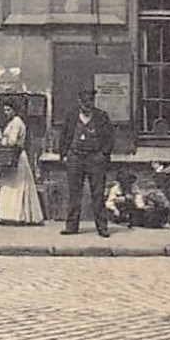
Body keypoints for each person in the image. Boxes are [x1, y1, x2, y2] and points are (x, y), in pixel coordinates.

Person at [59, 87, 115, 237]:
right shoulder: (71, 116)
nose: (87, 106)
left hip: (95, 158)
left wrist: (104, 154)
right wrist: (64, 154)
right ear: (79, 102)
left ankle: (102, 227)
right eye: (84, 103)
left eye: (90, 102)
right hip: (75, 157)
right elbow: (64, 135)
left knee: (98, 193)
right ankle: (71, 226)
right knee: (74, 193)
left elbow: (110, 137)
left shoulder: (102, 116)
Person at [0, 96, 45, 226]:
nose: (6, 113)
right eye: (5, 110)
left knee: (16, 185)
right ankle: (10, 215)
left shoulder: (16, 122)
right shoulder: (13, 122)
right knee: (10, 184)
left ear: (14, 110)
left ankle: (18, 216)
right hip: (13, 155)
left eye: (8, 110)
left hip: (15, 156)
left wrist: (0, 137)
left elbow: (12, 141)